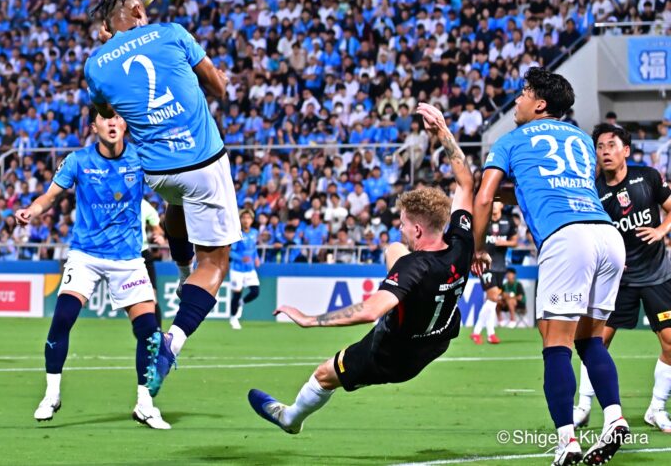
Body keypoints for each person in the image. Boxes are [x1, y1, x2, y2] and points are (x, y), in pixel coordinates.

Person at [247, 103, 474, 433]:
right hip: (438, 338)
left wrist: (310, 319)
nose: (401, 228)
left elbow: (370, 311)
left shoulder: (415, 266)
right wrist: (443, 133)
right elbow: (466, 183)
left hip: (393, 353)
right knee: (393, 249)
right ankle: (407, 301)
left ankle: (289, 419)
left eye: (404, 224)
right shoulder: (461, 242)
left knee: (325, 374)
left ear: (419, 231)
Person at [85, 0, 239, 396]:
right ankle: (172, 342)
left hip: (156, 169)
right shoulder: (172, 33)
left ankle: (184, 271)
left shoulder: (96, 64)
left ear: (105, 25)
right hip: (202, 162)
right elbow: (219, 88)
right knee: (217, 263)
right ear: (138, 8)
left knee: (176, 205)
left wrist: (109, 52)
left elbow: (104, 111)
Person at [474, 68, 628, 466]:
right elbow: (565, 181)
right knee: (590, 339)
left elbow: (484, 197)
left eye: (524, 93)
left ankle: (567, 440)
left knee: (555, 344)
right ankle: (614, 417)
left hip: (566, 238)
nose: (517, 100)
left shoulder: (509, 140)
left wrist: (477, 248)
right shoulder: (580, 138)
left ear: (540, 103)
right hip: (607, 236)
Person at [16, 110, 169, 430]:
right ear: (94, 127)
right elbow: (50, 196)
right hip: (85, 255)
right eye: (105, 119)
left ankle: (145, 404)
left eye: (117, 118)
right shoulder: (78, 160)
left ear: (125, 123)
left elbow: (172, 183)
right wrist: (33, 210)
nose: (112, 123)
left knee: (149, 331)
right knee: (62, 318)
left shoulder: (141, 158)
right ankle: (52, 394)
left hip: (127, 258)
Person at [573, 123, 671, 433]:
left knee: (670, 342)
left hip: (656, 275)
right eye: (600, 147)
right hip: (617, 280)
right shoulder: (592, 191)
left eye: (611, 145)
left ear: (625, 150)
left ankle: (656, 408)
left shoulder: (649, 178)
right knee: (594, 342)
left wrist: (660, 230)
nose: (605, 151)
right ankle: (584, 407)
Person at [471, 201, 518, 344]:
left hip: (500, 266)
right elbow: (474, 239)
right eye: (494, 202)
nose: (495, 205)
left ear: (502, 206)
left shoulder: (508, 221)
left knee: (492, 302)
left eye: (498, 202)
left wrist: (505, 243)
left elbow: (514, 242)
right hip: (486, 265)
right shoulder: (483, 220)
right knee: (492, 298)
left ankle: (490, 334)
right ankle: (477, 332)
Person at [229, 209, 261, 330]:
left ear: (252, 220)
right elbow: (230, 252)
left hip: (250, 269)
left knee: (255, 292)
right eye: (243, 218)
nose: (246, 220)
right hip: (237, 269)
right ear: (240, 220)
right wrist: (241, 258)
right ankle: (233, 318)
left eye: (248, 218)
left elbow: (253, 248)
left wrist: (256, 258)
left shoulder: (254, 233)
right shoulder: (236, 234)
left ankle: (242, 302)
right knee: (236, 294)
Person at [141, 199, 166, 326]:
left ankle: (158, 337)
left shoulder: (144, 206)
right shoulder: (114, 202)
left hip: (142, 254)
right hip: (119, 256)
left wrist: (159, 236)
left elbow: (158, 229)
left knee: (152, 297)